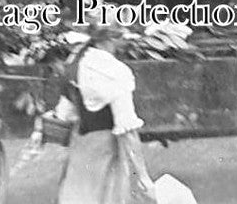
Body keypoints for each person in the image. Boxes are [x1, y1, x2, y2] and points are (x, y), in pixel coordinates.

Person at [39, 23, 156, 204]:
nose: (122, 45)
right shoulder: (114, 71)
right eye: (120, 39)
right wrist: (142, 175)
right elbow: (128, 131)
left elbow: (64, 115)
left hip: (81, 150)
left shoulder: (75, 65)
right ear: (109, 41)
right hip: (105, 152)